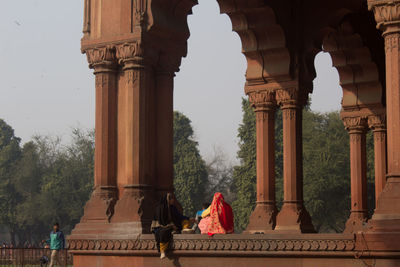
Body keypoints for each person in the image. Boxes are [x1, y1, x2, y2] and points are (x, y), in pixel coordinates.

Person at [151, 193, 192, 259]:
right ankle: (162, 252)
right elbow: (162, 222)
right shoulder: (159, 208)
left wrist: (189, 219)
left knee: (184, 220)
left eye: (173, 198)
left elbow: (179, 216)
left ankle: (185, 229)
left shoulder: (172, 207)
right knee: (163, 233)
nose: (173, 200)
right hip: (160, 226)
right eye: (171, 199)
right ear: (167, 200)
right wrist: (172, 226)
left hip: (172, 225)